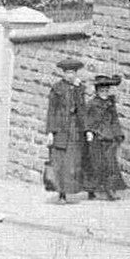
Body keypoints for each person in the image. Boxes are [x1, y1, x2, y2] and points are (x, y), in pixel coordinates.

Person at [46, 58, 88, 203]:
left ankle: (69, 191)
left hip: (74, 130)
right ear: (63, 73)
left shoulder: (79, 88)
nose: (70, 75)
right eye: (68, 72)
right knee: (60, 163)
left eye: (73, 73)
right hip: (60, 129)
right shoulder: (57, 88)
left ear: (76, 74)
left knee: (72, 163)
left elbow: (82, 109)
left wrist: (86, 130)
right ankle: (61, 194)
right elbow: (51, 111)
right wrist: (50, 132)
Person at [84, 74, 126, 201]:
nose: (104, 93)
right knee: (95, 163)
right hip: (96, 136)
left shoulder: (110, 104)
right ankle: (92, 189)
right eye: (102, 91)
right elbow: (86, 118)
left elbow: (114, 119)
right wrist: (88, 131)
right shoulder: (92, 104)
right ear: (97, 91)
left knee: (111, 163)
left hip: (109, 136)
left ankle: (111, 189)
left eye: (106, 90)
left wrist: (118, 134)